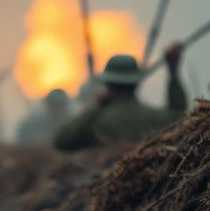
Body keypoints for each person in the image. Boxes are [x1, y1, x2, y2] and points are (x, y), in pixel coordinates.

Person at [53, 44, 187, 151]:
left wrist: (94, 106)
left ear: (107, 83)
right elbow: (178, 115)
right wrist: (173, 73)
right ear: (136, 83)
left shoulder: (97, 123)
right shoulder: (154, 118)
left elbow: (61, 141)